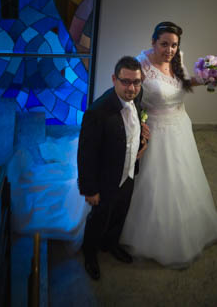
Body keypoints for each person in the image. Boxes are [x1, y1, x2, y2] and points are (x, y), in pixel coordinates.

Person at [119, 21, 217, 267]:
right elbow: (129, 97)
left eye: (174, 45)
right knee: (156, 183)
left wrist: (210, 77)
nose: (169, 50)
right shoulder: (141, 65)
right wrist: (138, 125)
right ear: (153, 42)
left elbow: (183, 84)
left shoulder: (177, 59)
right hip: (156, 130)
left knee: (184, 177)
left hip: (180, 125)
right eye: (164, 44)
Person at [77, 56, 150, 280]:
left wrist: (141, 140)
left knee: (120, 213)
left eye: (136, 82)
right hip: (105, 178)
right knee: (99, 217)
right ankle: (90, 254)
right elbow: (86, 156)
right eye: (125, 81)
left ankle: (111, 244)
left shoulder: (138, 97)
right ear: (114, 79)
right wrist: (90, 190)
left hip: (128, 173)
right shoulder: (97, 112)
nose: (132, 88)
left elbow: (133, 124)